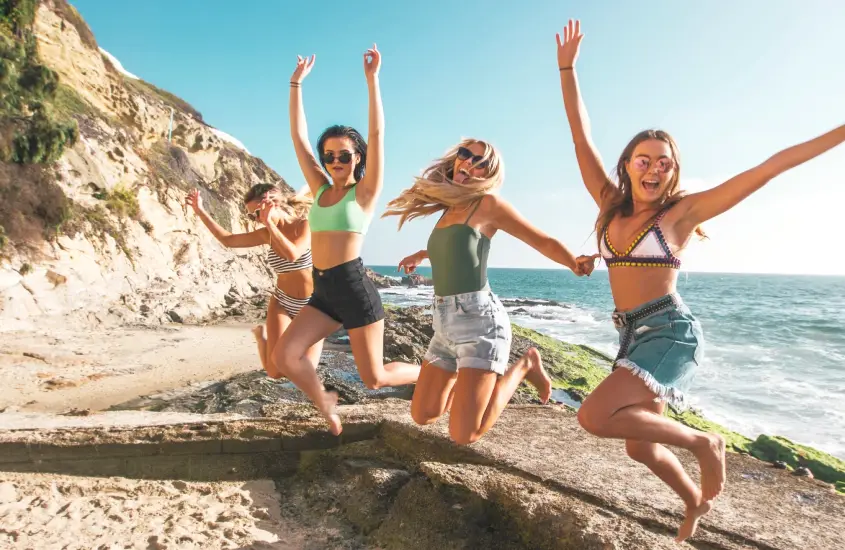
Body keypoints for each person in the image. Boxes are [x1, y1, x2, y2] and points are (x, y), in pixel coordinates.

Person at [555, 19, 845, 542]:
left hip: (670, 332)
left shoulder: (681, 214)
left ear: (672, 171)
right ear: (627, 164)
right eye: (643, 159)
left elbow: (769, 167)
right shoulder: (608, 204)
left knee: (594, 417)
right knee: (640, 445)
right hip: (629, 332)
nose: (653, 169)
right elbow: (580, 135)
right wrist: (567, 68)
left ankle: (705, 444)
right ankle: (692, 503)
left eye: (663, 163)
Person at [382, 138, 598, 445]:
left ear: (487, 174)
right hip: (443, 323)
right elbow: (458, 247)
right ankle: (468, 383)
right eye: (465, 155)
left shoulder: (488, 205)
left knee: (464, 434)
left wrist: (573, 263)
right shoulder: (450, 208)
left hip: (480, 324)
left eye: (480, 162)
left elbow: (541, 239)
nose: (468, 163)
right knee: (424, 414)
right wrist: (422, 254)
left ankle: (526, 364)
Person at [275, 45, 420, 436]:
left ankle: (435, 374)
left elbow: (377, 132)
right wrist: (295, 84)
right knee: (285, 355)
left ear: (357, 156)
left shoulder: (365, 193)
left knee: (374, 377)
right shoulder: (319, 189)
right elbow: (297, 137)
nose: (335, 161)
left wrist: (372, 81)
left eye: (343, 155)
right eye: (329, 156)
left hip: (354, 289)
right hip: (324, 291)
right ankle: (326, 402)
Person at [185, 183, 320, 378]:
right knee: (274, 372)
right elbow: (228, 240)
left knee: (306, 370)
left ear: (271, 204)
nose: (255, 219)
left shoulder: (304, 225)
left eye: (256, 213)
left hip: (312, 305)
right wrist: (200, 211)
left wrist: (269, 223)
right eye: (251, 216)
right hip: (282, 301)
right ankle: (261, 337)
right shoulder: (266, 233)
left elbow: (293, 254)